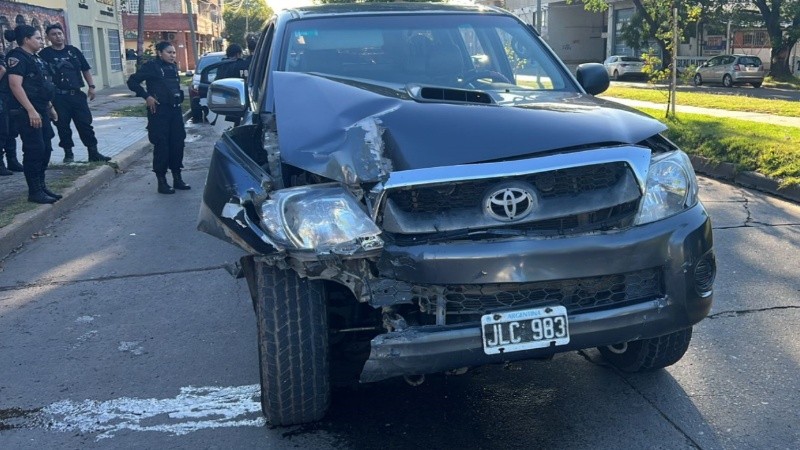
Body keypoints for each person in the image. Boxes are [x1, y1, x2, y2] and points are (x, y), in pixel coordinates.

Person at [2, 25, 60, 204]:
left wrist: (49, 107)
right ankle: (34, 191)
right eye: (38, 38)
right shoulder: (17, 58)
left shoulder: (35, 58)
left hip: (41, 109)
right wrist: (30, 110)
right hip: (26, 112)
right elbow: (15, 85)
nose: (41, 41)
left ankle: (41, 186)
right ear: (26, 39)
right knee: (35, 150)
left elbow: (42, 86)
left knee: (46, 148)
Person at [39, 23, 110, 163]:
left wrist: (91, 86)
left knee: (85, 124)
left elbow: (85, 69)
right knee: (62, 126)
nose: (58, 36)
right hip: (58, 97)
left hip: (77, 95)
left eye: (60, 33)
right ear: (48, 37)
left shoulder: (73, 51)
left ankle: (93, 152)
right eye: (54, 34)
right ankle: (68, 153)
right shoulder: (45, 55)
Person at [126, 41, 189, 195]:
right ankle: (162, 181)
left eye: (174, 52)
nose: (172, 55)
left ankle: (177, 177)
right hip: (159, 112)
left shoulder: (173, 67)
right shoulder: (152, 67)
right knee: (162, 146)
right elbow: (132, 81)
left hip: (174, 111)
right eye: (169, 52)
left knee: (177, 143)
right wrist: (146, 96)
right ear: (160, 53)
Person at [0, 49, 24, 175]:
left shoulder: (4, 57)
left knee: (11, 131)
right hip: (1, 99)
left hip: (9, 100)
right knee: (2, 132)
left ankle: (12, 160)